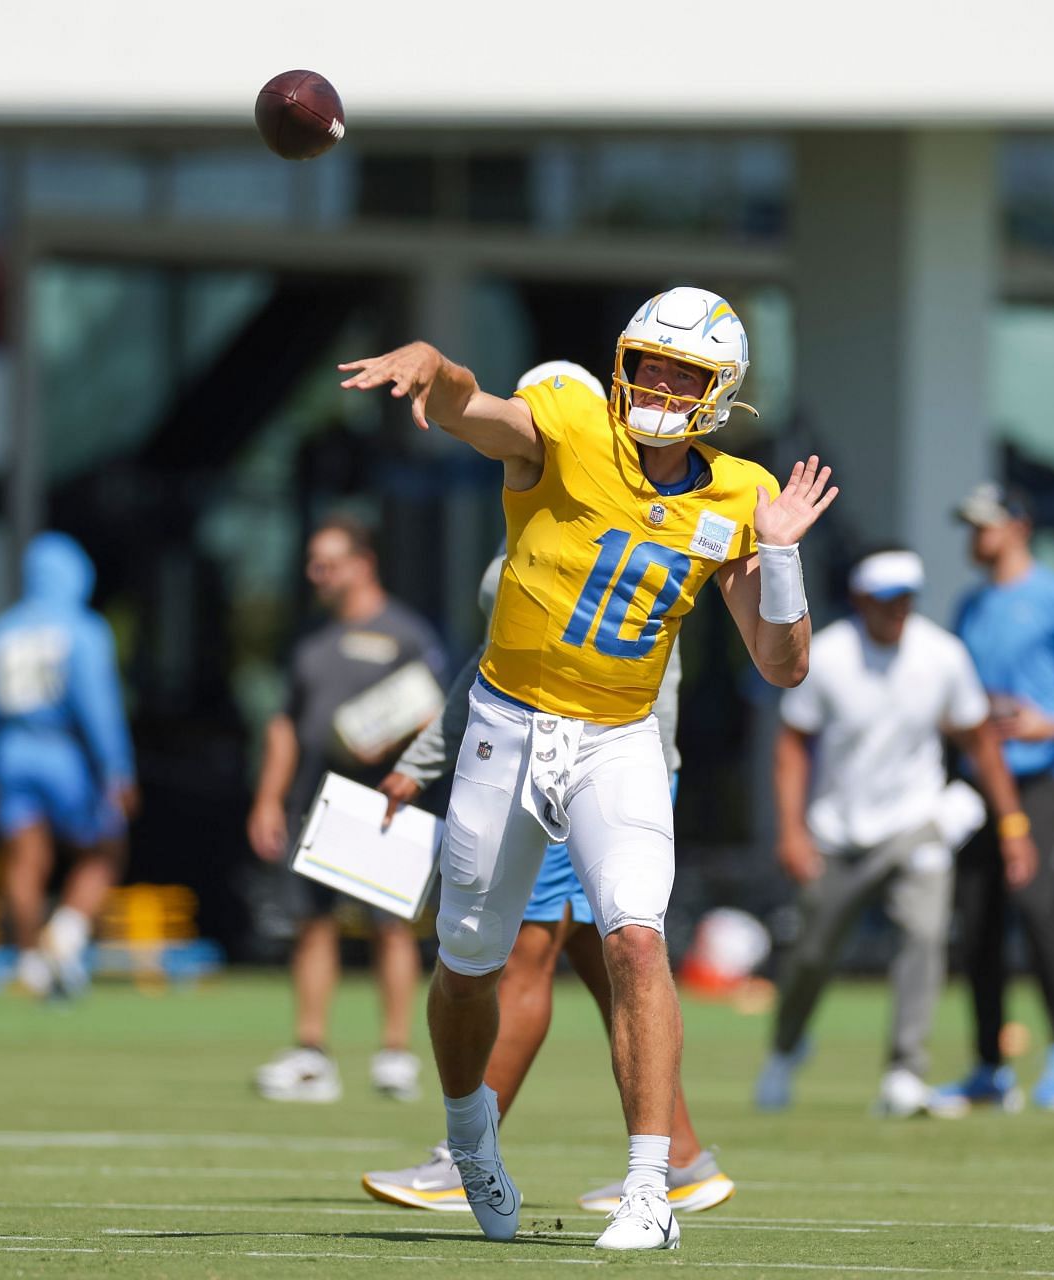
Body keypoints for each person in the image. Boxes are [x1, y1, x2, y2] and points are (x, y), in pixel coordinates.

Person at [339, 286, 835, 1251]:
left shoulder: (738, 493)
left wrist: (780, 559)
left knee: (637, 941)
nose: (655, 381)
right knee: (469, 962)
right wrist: (436, 372)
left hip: (621, 738)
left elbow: (783, 666)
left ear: (717, 390)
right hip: (507, 721)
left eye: (679, 371)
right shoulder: (570, 425)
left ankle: (653, 1187)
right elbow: (478, 414)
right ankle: (469, 1136)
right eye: (646, 361)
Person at [365, 365, 733, 1216]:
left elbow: (628, 662)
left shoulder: (632, 515)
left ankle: (465, 1156)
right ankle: (681, 1157)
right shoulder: (545, 523)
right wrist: (424, 760)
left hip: (596, 763)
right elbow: (489, 669)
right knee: (605, 961)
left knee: (532, 952)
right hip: (560, 753)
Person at [754, 547, 1029, 1118]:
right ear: (860, 601)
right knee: (812, 955)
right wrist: (791, 832)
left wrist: (1013, 825)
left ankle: (906, 1071)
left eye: (906, 599)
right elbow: (792, 747)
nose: (897, 611)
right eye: (886, 600)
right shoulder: (825, 656)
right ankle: (784, 1050)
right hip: (838, 830)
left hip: (915, 825)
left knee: (924, 937)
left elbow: (979, 739)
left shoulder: (943, 655)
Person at [933, 483, 1054, 1115]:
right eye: (970, 525)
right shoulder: (970, 605)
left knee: (1037, 903)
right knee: (976, 918)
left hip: (1039, 774)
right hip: (978, 781)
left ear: (1018, 527)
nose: (974, 537)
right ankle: (989, 1065)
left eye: (985, 525)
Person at [246, 517, 446, 1105]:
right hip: (316, 800)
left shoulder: (406, 633)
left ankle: (394, 1053)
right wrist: (268, 798)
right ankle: (311, 1053)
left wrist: (391, 740)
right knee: (311, 923)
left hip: (382, 802)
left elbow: (440, 709)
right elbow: (285, 725)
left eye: (327, 562)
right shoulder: (310, 641)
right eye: (313, 563)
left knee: (391, 926)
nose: (317, 574)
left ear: (363, 563)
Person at [0, 531, 138, 1000]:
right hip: (66, 753)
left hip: (11, 751)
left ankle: (29, 958)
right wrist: (117, 768)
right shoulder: (83, 630)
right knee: (104, 849)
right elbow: (97, 706)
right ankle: (65, 935)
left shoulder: (1, 630)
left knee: (25, 858)